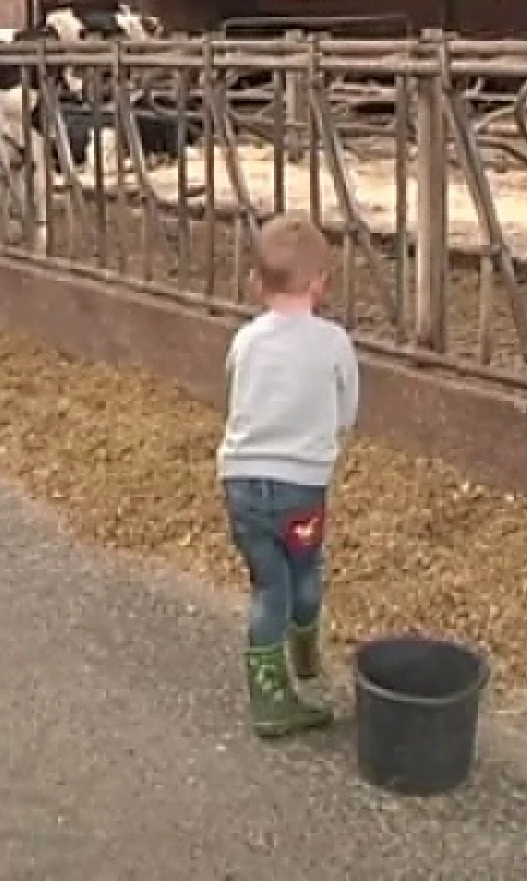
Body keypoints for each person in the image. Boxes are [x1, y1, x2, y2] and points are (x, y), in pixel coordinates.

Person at [216, 212, 361, 737]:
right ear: (321, 285)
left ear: (256, 283)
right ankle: (300, 656)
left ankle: (272, 684)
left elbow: (236, 397)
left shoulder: (247, 341)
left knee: (265, 585)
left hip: (242, 488)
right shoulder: (334, 344)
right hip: (301, 492)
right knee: (301, 570)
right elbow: (347, 412)